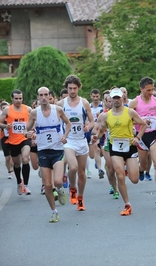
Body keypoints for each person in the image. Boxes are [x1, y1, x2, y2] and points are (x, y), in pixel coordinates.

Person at [92, 88, 147, 216]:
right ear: (110, 100)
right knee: (120, 175)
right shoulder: (106, 115)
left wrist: (137, 138)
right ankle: (127, 204)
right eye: (114, 98)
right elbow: (101, 130)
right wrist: (97, 137)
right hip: (115, 148)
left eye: (118, 98)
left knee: (134, 179)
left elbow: (143, 124)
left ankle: (136, 169)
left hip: (130, 147)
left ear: (122, 98)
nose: (116, 100)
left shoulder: (130, 112)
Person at [25, 87, 71, 223]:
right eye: (41, 95)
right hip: (43, 151)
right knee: (47, 185)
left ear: (50, 96)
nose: (44, 97)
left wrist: (65, 135)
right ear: (38, 97)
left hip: (57, 150)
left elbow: (68, 123)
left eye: (46, 95)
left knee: (57, 181)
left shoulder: (57, 110)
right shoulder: (34, 113)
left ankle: (61, 189)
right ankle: (54, 211)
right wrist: (29, 134)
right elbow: (27, 129)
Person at [57, 74, 94, 211]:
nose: (72, 91)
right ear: (66, 88)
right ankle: (72, 188)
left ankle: (80, 197)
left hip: (81, 140)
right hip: (69, 141)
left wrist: (88, 127)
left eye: (74, 88)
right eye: (70, 88)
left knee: (82, 172)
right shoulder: (61, 104)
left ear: (79, 88)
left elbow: (92, 122)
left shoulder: (84, 103)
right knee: (73, 168)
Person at [129, 77, 156, 203]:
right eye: (148, 90)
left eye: (152, 90)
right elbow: (127, 120)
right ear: (141, 89)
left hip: (154, 134)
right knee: (145, 165)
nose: (151, 92)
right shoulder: (134, 103)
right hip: (141, 137)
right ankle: (141, 170)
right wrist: (139, 121)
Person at [0, 90, 32, 195]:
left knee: (25, 159)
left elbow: (35, 121)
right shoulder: (7, 110)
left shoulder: (28, 109)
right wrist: (5, 126)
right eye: (16, 98)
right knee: (17, 164)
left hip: (25, 139)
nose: (18, 100)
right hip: (12, 141)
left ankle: (26, 185)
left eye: (20, 98)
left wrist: (32, 131)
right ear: (12, 99)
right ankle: (19, 182)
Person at [88, 88, 104, 179]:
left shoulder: (103, 106)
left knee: (100, 151)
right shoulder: (88, 107)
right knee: (93, 154)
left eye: (97, 96)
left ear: (99, 96)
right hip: (92, 132)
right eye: (93, 96)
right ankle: (99, 169)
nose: (95, 98)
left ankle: (99, 167)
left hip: (102, 130)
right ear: (91, 96)